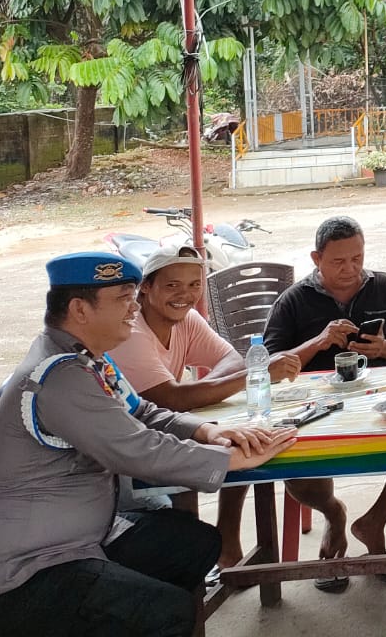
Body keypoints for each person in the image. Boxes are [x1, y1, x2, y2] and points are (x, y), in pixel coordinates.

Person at [0, 253, 296, 637]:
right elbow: (135, 448)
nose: (135, 306)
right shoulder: (58, 376)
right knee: (167, 612)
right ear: (79, 309)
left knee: (194, 543)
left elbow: (143, 412)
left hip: (82, 541)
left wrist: (209, 433)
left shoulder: (89, 361)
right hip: (23, 571)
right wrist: (228, 460)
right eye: (123, 298)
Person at [108, 242, 302, 566]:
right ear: (145, 288)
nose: (184, 294)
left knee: (242, 438)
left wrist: (204, 389)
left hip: (159, 428)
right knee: (236, 448)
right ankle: (201, 563)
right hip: (126, 458)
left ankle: (226, 541)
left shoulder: (187, 319)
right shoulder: (132, 332)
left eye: (194, 285)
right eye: (172, 285)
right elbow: (170, 398)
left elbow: (231, 359)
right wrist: (256, 374)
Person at [263, 216, 386, 590]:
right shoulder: (294, 300)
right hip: (313, 406)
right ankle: (334, 515)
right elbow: (269, 366)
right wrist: (318, 342)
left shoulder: (384, 286)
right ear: (316, 258)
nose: (350, 269)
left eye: (357, 258)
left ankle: (376, 519)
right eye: (338, 261)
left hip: (378, 399)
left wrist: (384, 348)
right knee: (292, 457)